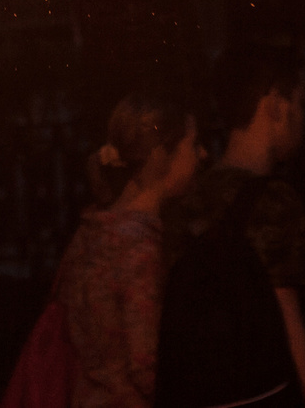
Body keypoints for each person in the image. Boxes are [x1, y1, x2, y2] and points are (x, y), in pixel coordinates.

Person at [160, 53, 305, 408]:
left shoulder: (187, 199)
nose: (302, 117)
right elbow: (289, 322)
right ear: (274, 106)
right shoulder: (274, 199)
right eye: (298, 103)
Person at [47, 91, 203, 408]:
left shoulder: (92, 229)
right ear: (162, 155)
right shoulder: (140, 248)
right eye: (193, 144)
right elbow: (147, 367)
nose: (202, 155)